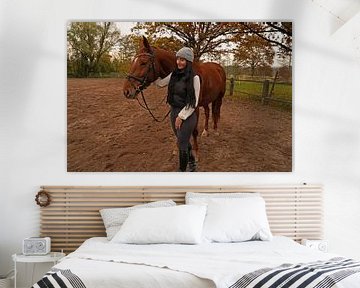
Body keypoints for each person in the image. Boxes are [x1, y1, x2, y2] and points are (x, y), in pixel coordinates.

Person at [155, 47, 200, 172]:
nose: (179, 62)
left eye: (182, 60)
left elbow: (193, 102)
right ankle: (192, 161)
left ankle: (181, 171)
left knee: (181, 143)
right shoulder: (174, 74)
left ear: (188, 61)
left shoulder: (195, 78)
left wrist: (181, 116)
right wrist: (151, 74)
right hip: (173, 111)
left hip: (187, 114)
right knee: (183, 140)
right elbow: (160, 83)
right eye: (178, 59)